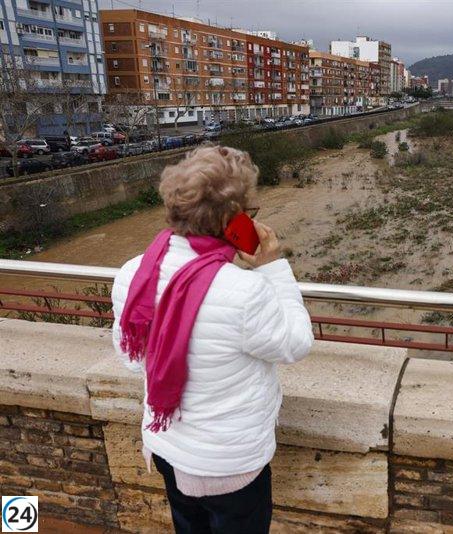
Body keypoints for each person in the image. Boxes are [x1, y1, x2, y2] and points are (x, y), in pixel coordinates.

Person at [111, 145, 314, 533]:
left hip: (168, 448)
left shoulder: (133, 273)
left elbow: (132, 358)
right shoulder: (243, 290)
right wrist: (272, 268)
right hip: (229, 466)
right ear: (234, 219)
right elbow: (296, 342)